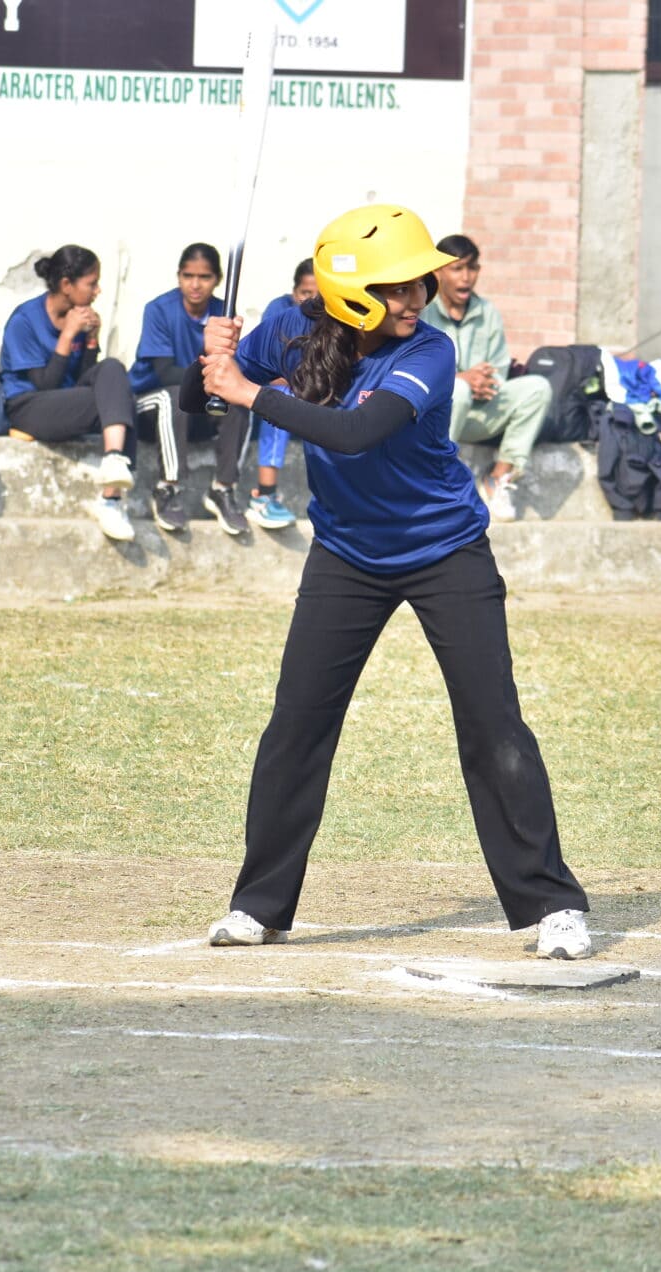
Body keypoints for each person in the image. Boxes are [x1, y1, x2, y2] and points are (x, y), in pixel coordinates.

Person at [185, 204, 593, 961]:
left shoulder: (430, 352)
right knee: (297, 724)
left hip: (445, 550)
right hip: (346, 554)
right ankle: (259, 905)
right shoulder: (291, 329)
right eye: (396, 287)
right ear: (350, 294)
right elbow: (198, 397)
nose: (415, 299)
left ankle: (553, 904)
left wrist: (248, 391)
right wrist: (209, 358)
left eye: (418, 284)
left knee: (493, 724)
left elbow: (354, 433)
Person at [0, 245, 146, 542]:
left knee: (113, 369)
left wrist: (91, 341)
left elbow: (82, 380)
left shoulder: (80, 317)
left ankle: (113, 467)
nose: (98, 291)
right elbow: (45, 385)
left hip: (67, 402)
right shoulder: (25, 320)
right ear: (67, 285)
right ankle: (111, 499)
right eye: (91, 284)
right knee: (122, 399)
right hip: (27, 406)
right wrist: (67, 335)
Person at [419, 233, 552, 522]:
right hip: (435, 416)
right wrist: (461, 379)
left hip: (480, 412)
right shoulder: (423, 312)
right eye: (457, 268)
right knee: (458, 389)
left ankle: (497, 478)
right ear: (438, 272)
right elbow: (417, 372)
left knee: (537, 387)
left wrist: (484, 385)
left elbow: (499, 370)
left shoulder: (487, 312)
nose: (466, 277)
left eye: (472, 268)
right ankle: (434, 481)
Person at [128, 243, 250, 535]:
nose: (195, 285)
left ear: (217, 279)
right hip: (150, 405)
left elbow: (229, 367)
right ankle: (168, 488)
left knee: (241, 400)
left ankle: (223, 488)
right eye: (188, 276)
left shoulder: (223, 312)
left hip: (196, 406)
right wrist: (212, 373)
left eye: (204, 277)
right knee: (173, 395)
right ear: (179, 276)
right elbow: (164, 372)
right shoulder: (159, 310)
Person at [245, 258, 318, 531]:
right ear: (294, 292)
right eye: (305, 293)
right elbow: (266, 368)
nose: (311, 300)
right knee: (281, 396)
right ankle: (264, 495)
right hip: (285, 390)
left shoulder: (334, 316)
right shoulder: (280, 311)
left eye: (318, 294)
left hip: (316, 396)